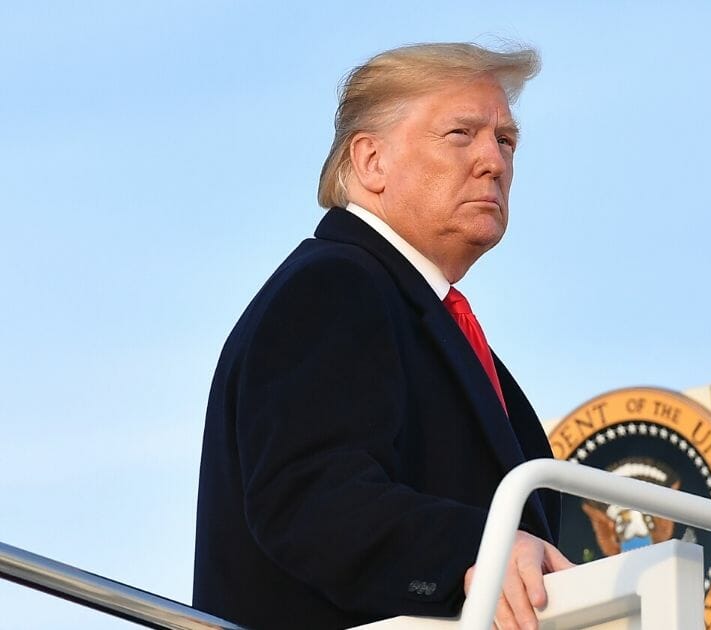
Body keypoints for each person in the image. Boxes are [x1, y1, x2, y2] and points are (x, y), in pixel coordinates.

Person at [193, 43, 568, 630]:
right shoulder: (333, 284)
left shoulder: (421, 316)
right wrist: (475, 548)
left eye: (506, 141)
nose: (493, 161)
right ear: (371, 162)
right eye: (460, 134)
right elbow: (310, 498)